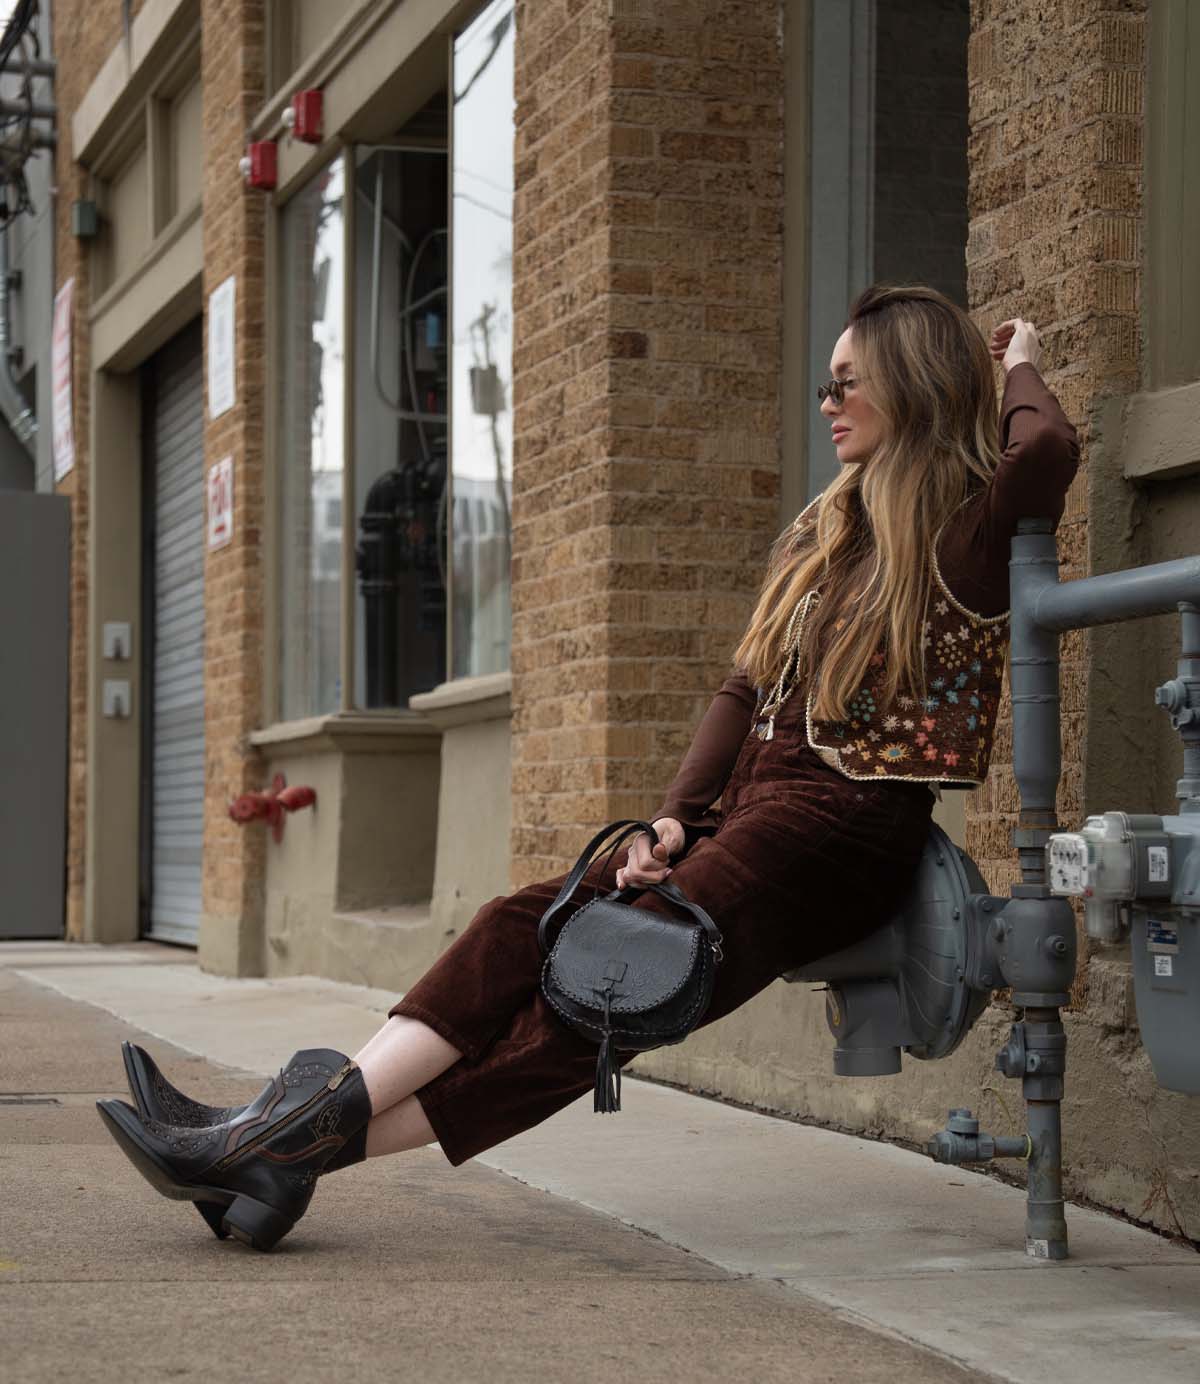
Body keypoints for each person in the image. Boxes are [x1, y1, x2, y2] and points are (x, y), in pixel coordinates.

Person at [97, 284, 1081, 1251]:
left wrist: (1020, 359)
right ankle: (271, 1150)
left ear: (909, 389)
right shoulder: (827, 537)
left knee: (609, 984)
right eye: (824, 385)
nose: (825, 405)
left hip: (843, 827)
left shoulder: (965, 530)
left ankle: (266, 1143)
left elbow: (1042, 446)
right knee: (526, 922)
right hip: (752, 814)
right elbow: (740, 694)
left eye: (846, 385)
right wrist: (672, 822)